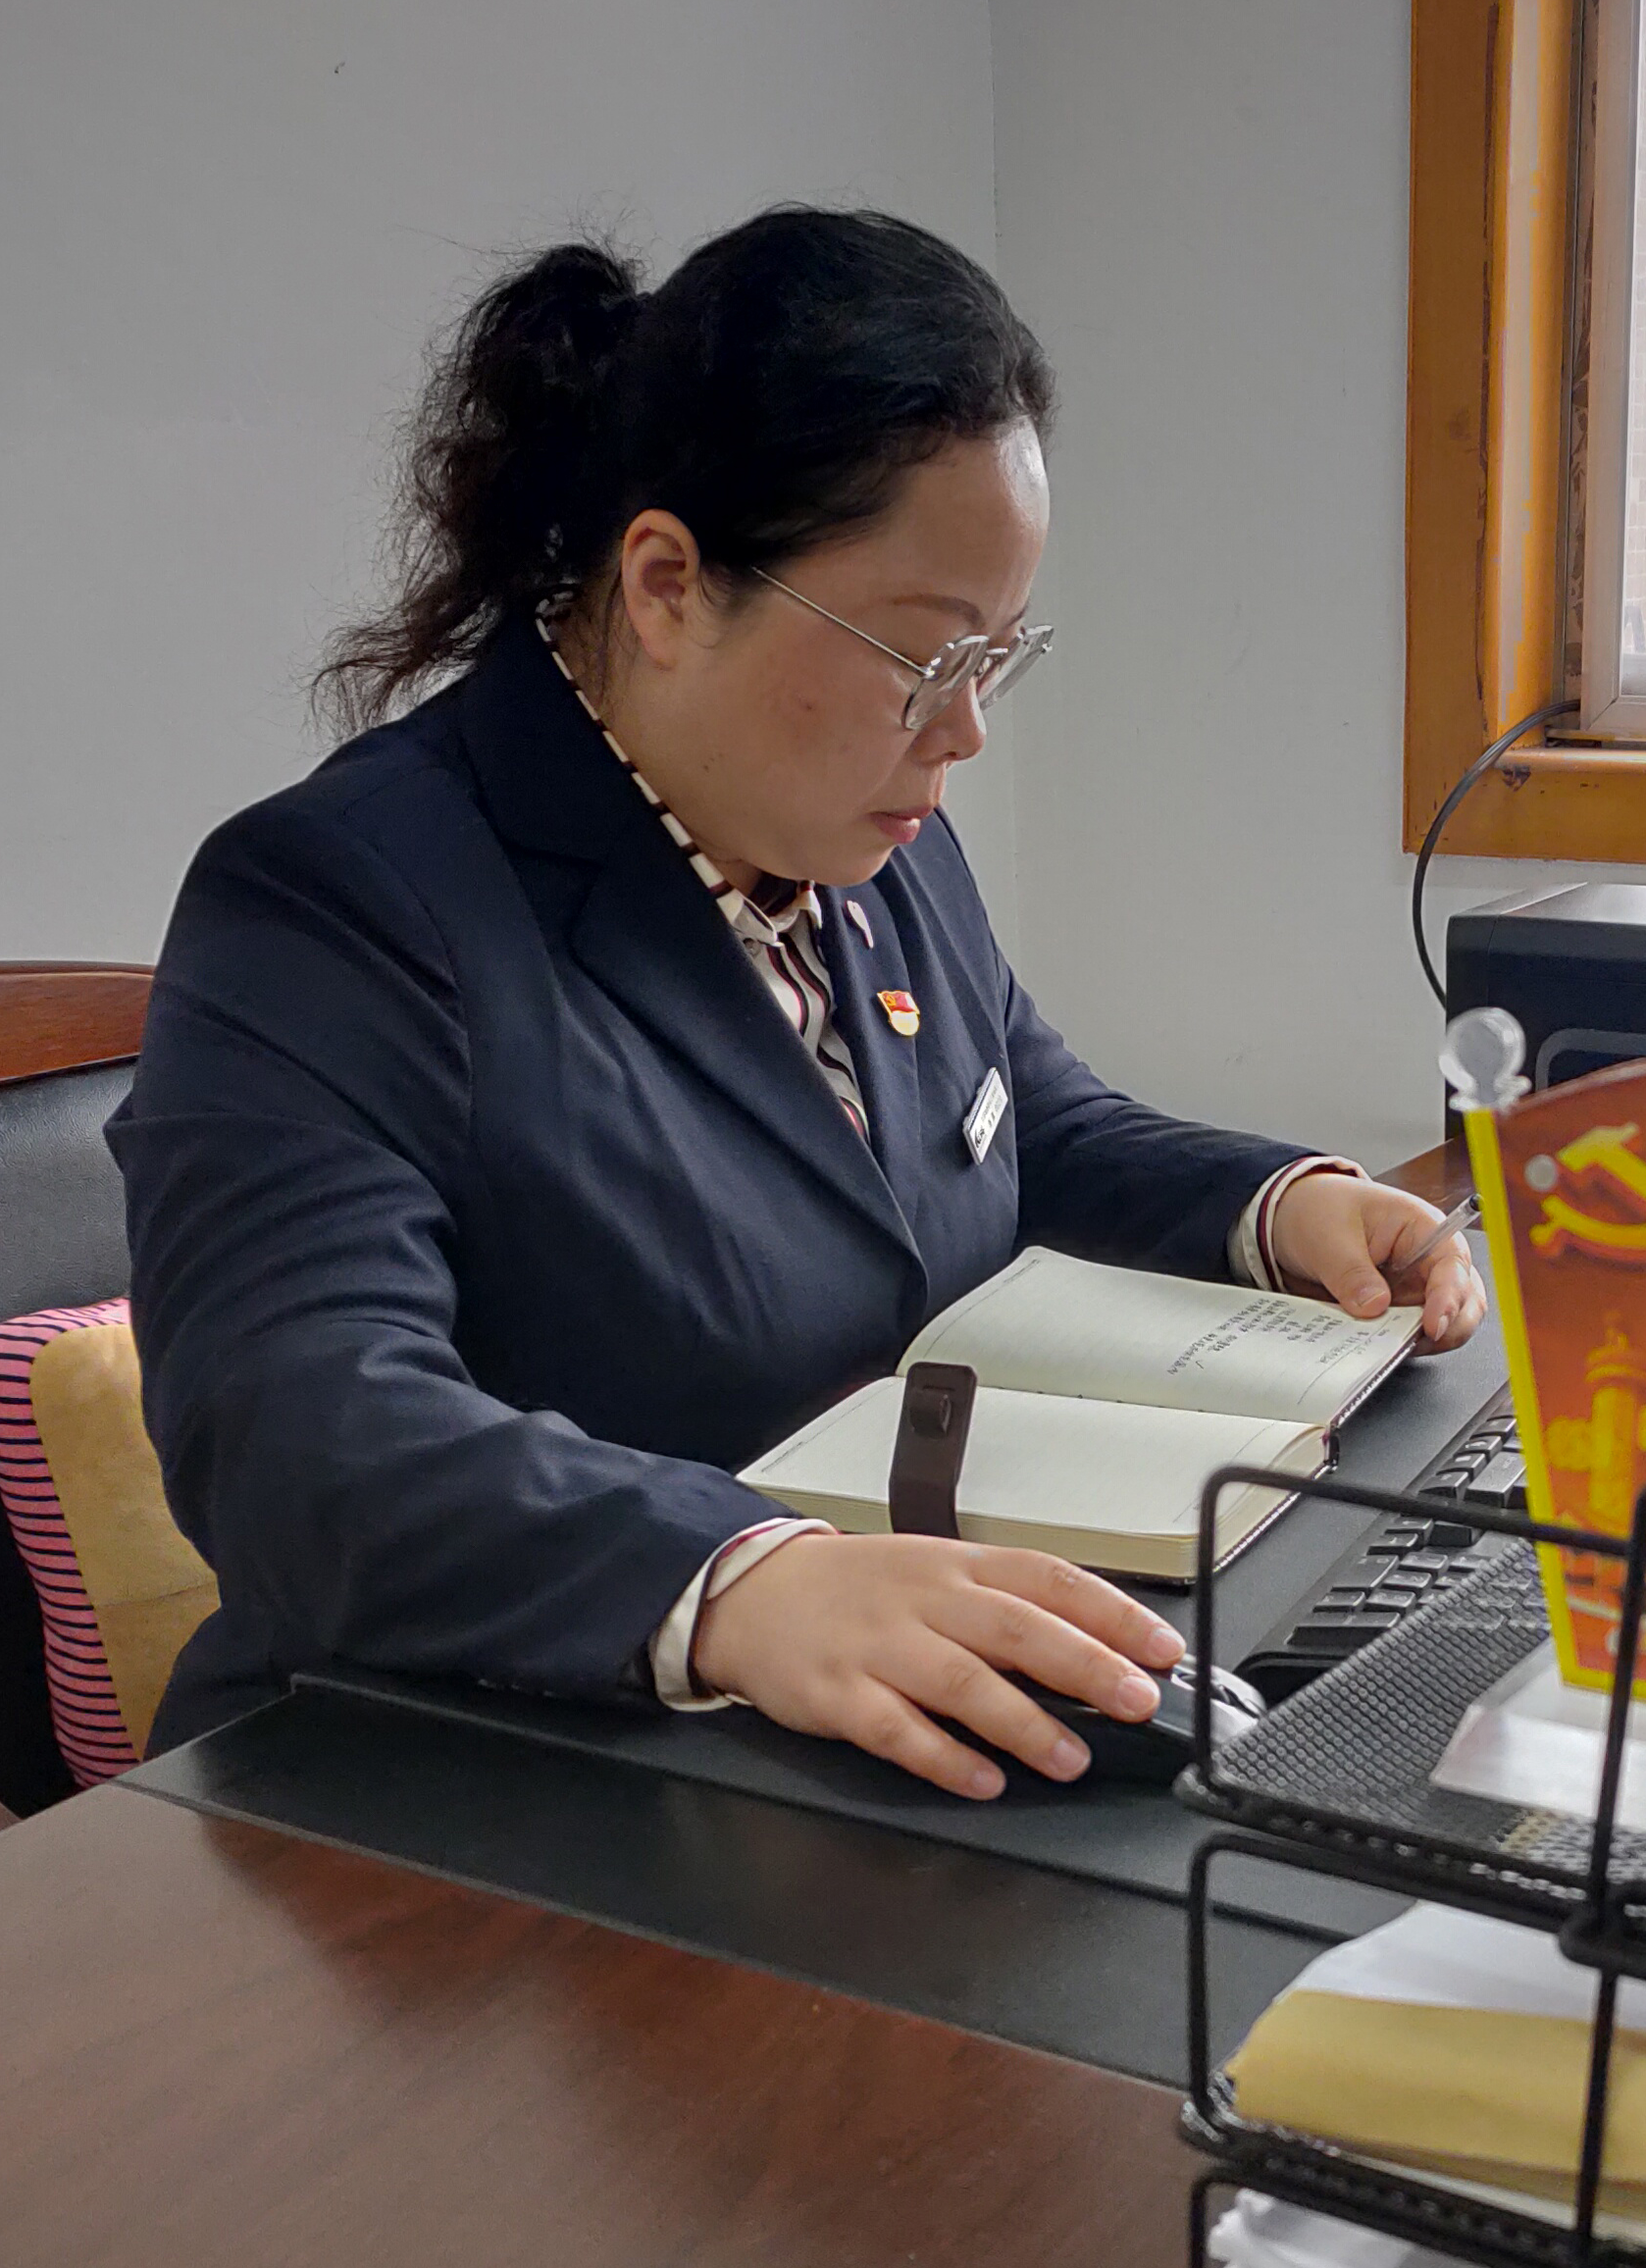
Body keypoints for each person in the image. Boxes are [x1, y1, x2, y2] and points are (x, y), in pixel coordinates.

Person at [112, 208, 1483, 1797]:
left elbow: (1021, 1120)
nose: (965, 734)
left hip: (845, 1723)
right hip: (445, 1773)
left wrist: (1276, 1202)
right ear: (668, 586)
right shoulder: (341, 901)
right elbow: (291, 1427)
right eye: (925, 658)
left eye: (999, 656)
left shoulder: (863, 837)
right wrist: (741, 1581)